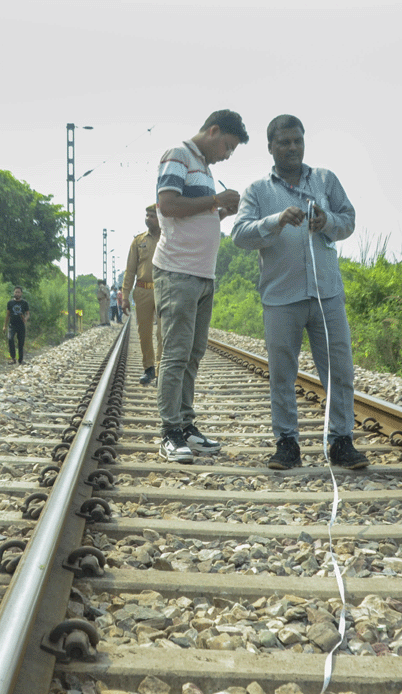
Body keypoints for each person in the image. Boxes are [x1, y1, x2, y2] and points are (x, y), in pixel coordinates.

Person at [231, 115, 369, 471]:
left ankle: (341, 441)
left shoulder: (325, 180)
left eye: (297, 141)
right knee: (282, 373)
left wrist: (328, 223)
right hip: (281, 297)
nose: (292, 148)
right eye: (284, 142)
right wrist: (275, 220)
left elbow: (348, 219)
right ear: (270, 148)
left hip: (327, 295)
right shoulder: (258, 191)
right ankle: (287, 444)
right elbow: (240, 235)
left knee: (339, 370)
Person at [153, 110, 248, 463]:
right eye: (227, 145)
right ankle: (169, 432)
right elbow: (168, 204)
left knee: (192, 355)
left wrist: (222, 213)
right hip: (178, 273)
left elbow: (194, 214)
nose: (227, 154)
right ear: (213, 131)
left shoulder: (205, 170)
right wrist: (214, 201)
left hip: (202, 275)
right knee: (176, 355)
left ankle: (186, 426)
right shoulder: (177, 156)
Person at [121, 204, 164, 386]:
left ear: (160, 217)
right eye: (146, 215)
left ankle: (162, 371)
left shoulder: (169, 238)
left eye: (152, 215)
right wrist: (125, 296)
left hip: (164, 289)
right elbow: (130, 271)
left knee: (163, 332)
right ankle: (149, 369)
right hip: (142, 290)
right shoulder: (138, 241)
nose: (148, 218)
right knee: (144, 332)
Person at [3, 286, 30, 365]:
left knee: (21, 343)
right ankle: (13, 358)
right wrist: (4, 326)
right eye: (15, 292)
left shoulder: (24, 303)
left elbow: (28, 314)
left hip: (21, 325)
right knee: (10, 339)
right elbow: (7, 315)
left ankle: (20, 360)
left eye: (18, 292)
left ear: (21, 293)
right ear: (14, 293)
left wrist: (25, 318)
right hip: (12, 325)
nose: (17, 294)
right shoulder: (10, 303)